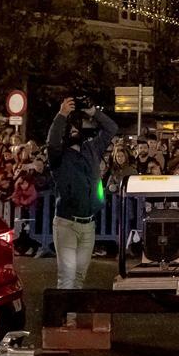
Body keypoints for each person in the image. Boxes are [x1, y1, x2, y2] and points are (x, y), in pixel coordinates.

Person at [46, 97, 117, 293]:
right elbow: (52, 141)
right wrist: (62, 115)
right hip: (66, 223)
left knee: (79, 276)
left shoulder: (92, 148)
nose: (74, 129)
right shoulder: (58, 155)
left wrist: (93, 111)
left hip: (88, 224)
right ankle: (66, 321)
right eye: (71, 126)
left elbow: (111, 128)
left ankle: (72, 318)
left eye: (77, 125)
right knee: (67, 275)